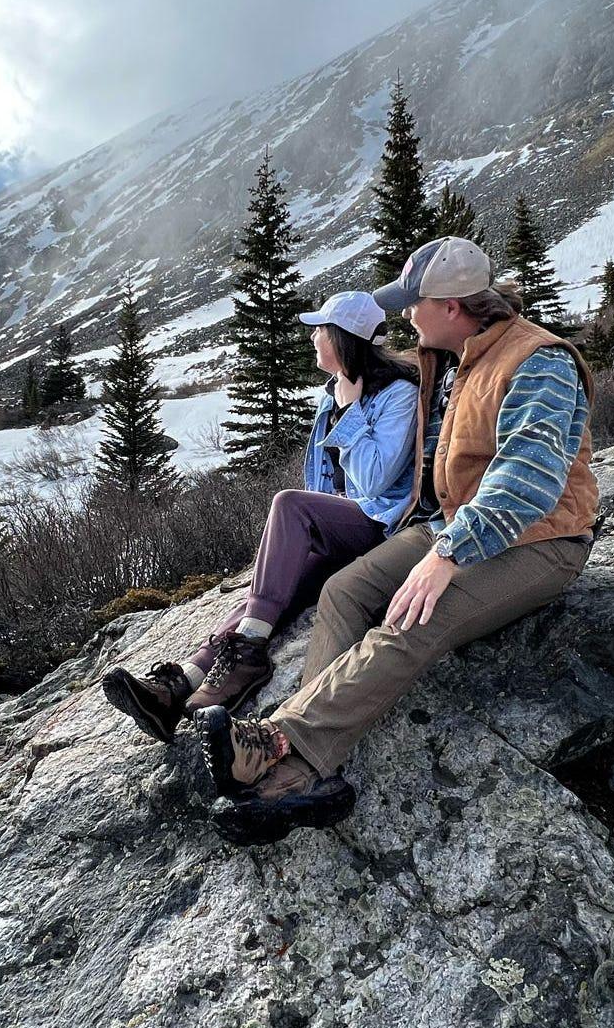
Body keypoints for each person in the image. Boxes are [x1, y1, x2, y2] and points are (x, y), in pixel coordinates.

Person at [192, 234, 598, 846]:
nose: (403, 316)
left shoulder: (538, 360)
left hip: (541, 540)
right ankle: (301, 772)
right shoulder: (456, 357)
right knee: (343, 591)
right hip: (451, 524)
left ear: (452, 307)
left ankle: (279, 744)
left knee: (412, 618)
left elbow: (528, 477)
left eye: (413, 303)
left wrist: (447, 555)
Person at [100, 289, 429, 740]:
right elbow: (324, 479)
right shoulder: (331, 393)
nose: (313, 337)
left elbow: (372, 483)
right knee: (267, 594)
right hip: (343, 531)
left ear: (343, 338)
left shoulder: (397, 395)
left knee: (287, 504)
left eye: (321, 330)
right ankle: (179, 688)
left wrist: (351, 411)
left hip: (381, 526)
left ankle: (249, 652)